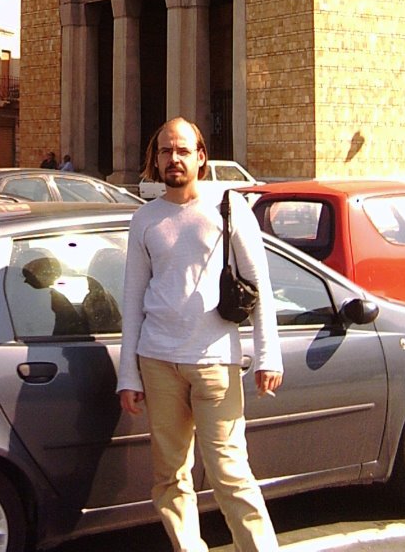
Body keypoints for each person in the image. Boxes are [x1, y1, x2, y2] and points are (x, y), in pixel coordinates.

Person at [117, 117, 283, 552]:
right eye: (166, 151)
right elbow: (133, 299)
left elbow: (258, 283)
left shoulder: (227, 208)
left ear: (201, 156)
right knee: (170, 476)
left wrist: (269, 355)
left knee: (230, 473)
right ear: (155, 159)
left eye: (183, 150)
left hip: (214, 364)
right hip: (157, 362)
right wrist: (127, 375)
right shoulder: (145, 219)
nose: (174, 158)